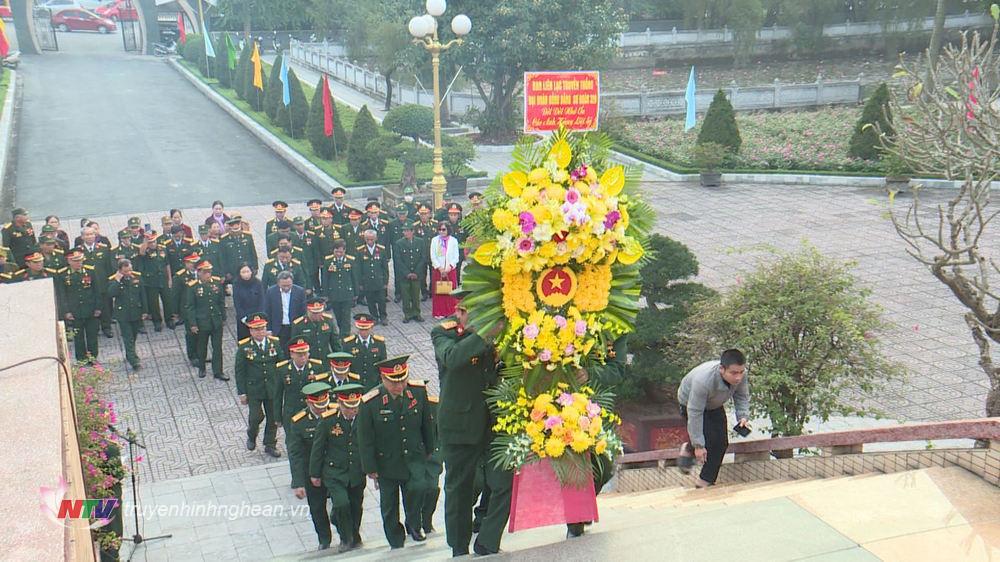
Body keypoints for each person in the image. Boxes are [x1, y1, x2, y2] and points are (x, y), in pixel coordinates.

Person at [431, 289, 511, 556]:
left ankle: (487, 540)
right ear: (460, 311)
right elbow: (452, 359)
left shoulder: (497, 332)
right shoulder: (443, 333)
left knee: (504, 483)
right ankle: (459, 546)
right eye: (464, 310)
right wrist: (484, 334)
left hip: (494, 423)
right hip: (460, 425)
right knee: (460, 490)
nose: (465, 314)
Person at [357, 355, 435, 549]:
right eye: (394, 382)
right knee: (389, 505)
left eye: (402, 380)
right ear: (383, 379)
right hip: (387, 462)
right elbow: (365, 439)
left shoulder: (417, 392)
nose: (399, 385)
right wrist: (370, 467)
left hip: (413, 457)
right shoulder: (370, 402)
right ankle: (395, 538)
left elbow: (427, 423)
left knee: (418, 490)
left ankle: (414, 524)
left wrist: (429, 449)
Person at [677, 348, 750, 488]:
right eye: (734, 373)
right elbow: (695, 412)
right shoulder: (703, 381)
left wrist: (742, 416)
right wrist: (698, 445)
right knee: (708, 440)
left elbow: (742, 395)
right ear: (722, 369)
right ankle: (690, 447)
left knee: (721, 442)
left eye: (741, 372)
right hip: (690, 404)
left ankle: (705, 481)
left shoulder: (741, 375)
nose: (738, 377)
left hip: (714, 404)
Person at [309, 382, 367, 553]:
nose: (352, 411)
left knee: (356, 507)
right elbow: (318, 448)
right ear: (340, 404)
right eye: (348, 407)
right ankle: (345, 538)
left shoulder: (363, 417)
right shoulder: (329, 420)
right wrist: (314, 473)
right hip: (335, 472)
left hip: (356, 471)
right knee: (342, 504)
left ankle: (354, 534)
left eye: (355, 406)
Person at [286, 381, 337, 551]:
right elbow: (295, 454)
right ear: (309, 402)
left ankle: (340, 525)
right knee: (317, 507)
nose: (323, 409)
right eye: (318, 406)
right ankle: (324, 538)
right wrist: (299, 482)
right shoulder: (299, 422)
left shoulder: (335, 413)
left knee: (342, 503)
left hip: (336, 468)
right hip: (312, 471)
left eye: (325, 404)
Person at [234, 312, 284, 453]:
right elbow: (240, 371)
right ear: (250, 330)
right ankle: (252, 435)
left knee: (273, 417)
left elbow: (281, 364)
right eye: (256, 329)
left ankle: (270, 444)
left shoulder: (274, 343)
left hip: (272, 388)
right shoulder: (244, 348)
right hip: (254, 389)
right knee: (256, 416)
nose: (260, 332)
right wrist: (242, 393)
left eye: (262, 328)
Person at [184, 260, 228, 380]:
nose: (208, 275)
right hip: (202, 322)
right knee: (202, 346)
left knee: (217, 347)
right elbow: (190, 307)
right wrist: (193, 324)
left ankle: (218, 371)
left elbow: (221, 301)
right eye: (205, 272)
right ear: (199, 273)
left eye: (209, 272)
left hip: (216, 321)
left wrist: (223, 317)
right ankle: (202, 367)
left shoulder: (217, 283)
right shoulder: (193, 286)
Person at [275, 338, 330, 427]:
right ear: (292, 354)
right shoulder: (283, 369)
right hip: (291, 412)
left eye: (305, 354)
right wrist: (277, 417)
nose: (303, 358)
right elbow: (278, 395)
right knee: (291, 440)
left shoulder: (317, 367)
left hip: (311, 412)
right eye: (300, 355)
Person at [59, 249, 102, 361]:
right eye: (75, 261)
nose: (79, 263)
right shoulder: (63, 274)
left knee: (92, 335)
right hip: (75, 311)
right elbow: (62, 295)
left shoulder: (90, 271)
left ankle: (93, 357)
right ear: (69, 261)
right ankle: (81, 358)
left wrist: (98, 307)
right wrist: (66, 311)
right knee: (78, 337)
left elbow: (97, 290)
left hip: (90, 308)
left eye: (80, 260)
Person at [108, 258, 148, 370]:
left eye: (130, 270)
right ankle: (134, 361)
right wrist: (117, 280)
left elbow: (143, 295)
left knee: (134, 335)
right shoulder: (114, 280)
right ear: (120, 271)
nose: (128, 273)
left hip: (136, 312)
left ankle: (129, 354)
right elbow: (110, 293)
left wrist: (145, 311)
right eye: (125, 271)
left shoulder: (137, 278)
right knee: (128, 337)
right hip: (123, 314)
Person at [76, 226, 115, 338]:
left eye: (91, 234)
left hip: (102, 282)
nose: (89, 236)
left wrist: (109, 282)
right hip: (87, 284)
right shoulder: (79, 251)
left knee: (105, 306)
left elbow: (109, 267)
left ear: (95, 235)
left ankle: (106, 327)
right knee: (92, 306)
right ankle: (94, 328)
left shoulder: (103, 248)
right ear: (82, 237)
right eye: (86, 234)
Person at [321, 240, 357, 338]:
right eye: (336, 252)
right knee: (338, 315)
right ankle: (342, 331)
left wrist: (356, 293)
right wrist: (325, 294)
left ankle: (345, 335)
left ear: (344, 250)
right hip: (334, 293)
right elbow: (325, 278)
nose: (338, 254)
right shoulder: (328, 261)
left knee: (346, 316)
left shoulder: (350, 260)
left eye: (341, 252)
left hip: (347, 293)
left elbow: (354, 277)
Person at [392, 222, 426, 323]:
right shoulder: (399, 243)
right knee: (406, 295)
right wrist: (407, 273)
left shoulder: (420, 242)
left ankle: (416, 313)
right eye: (404, 231)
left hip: (417, 274)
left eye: (407, 231)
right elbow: (398, 260)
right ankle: (407, 314)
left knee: (416, 294)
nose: (405, 233)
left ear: (412, 231)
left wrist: (416, 272)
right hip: (404, 275)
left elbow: (423, 258)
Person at [342, 313, 386, 391]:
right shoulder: (348, 344)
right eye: (361, 329)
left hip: (373, 384)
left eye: (366, 329)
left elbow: (383, 365)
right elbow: (345, 365)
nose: (363, 332)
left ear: (371, 328)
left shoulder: (379, 343)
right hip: (355, 384)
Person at [138, 231, 173, 332]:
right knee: (154, 304)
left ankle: (169, 320)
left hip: (163, 280)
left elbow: (167, 264)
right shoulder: (146, 250)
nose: (153, 244)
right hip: (151, 281)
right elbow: (141, 252)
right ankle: (157, 322)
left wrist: (170, 279)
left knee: (167, 301)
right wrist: (145, 240)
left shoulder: (162, 249)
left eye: (154, 241)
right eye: (151, 242)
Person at [173, 252, 202, 366]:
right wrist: (176, 312)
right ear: (186, 263)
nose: (194, 264)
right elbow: (175, 295)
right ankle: (192, 356)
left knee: (201, 333)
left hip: (200, 308)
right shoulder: (180, 276)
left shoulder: (200, 273)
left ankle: (201, 354)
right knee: (191, 333)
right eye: (191, 262)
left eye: (195, 262)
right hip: (187, 309)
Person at [265, 271, 306, 350]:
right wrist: (269, 329)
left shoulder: (300, 291)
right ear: (278, 283)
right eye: (284, 286)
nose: (286, 288)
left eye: (288, 285)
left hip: (295, 328)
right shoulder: (271, 292)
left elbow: (303, 311)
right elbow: (268, 311)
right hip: (278, 329)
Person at [356, 230, 389, 325]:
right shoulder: (360, 251)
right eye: (367, 239)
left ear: (375, 239)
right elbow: (358, 269)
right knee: (370, 301)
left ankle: (383, 317)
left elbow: (385, 268)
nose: (370, 241)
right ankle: (374, 317)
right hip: (367, 281)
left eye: (371, 239)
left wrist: (385, 282)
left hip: (379, 280)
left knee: (382, 300)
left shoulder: (381, 250)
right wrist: (360, 283)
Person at [430, 223, 459, 319]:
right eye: (440, 229)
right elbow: (433, 256)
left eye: (444, 229)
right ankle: (439, 312)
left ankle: (450, 311)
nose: (441, 232)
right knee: (439, 291)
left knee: (450, 291)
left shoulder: (454, 241)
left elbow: (456, 257)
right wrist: (440, 268)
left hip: (450, 270)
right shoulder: (435, 240)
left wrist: (449, 268)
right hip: (438, 270)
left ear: (448, 230)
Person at [233, 264, 265, 341]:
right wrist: (244, 318)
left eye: (247, 271)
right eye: (243, 272)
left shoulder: (258, 283)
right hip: (244, 317)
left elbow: (261, 300)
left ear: (251, 272)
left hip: (257, 317)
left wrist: (259, 316)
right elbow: (237, 303)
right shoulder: (236, 284)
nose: (246, 274)